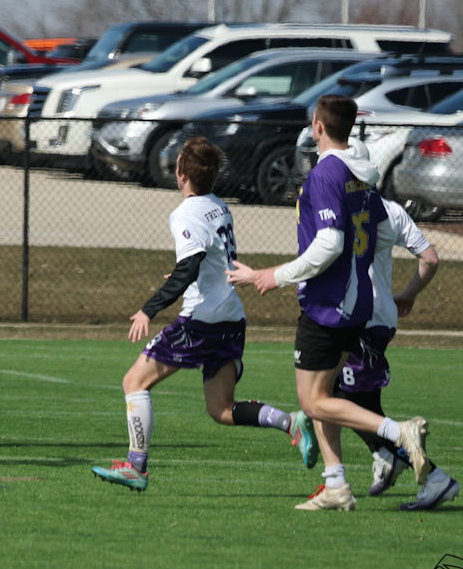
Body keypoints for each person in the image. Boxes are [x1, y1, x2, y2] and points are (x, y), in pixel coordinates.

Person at [228, 95, 430, 511]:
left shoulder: (326, 173)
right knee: (325, 397)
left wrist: (273, 276)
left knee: (313, 401)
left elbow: (330, 243)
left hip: (328, 304)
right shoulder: (361, 173)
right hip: (355, 303)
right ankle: (336, 484)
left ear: (318, 126)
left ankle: (398, 434)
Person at [92, 138, 317, 491]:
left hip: (202, 319)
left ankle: (136, 467)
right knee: (221, 409)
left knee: (134, 382)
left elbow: (190, 266)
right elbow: (207, 260)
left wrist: (148, 309)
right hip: (231, 317)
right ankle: (290, 422)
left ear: (181, 174)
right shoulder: (219, 206)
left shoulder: (184, 213)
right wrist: (185, 272)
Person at [341, 195, 457, 511]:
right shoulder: (391, 209)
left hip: (355, 316)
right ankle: (385, 455)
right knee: (361, 403)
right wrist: (409, 294)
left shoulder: (340, 203)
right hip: (382, 317)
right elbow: (430, 259)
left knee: (331, 398)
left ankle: (433, 476)